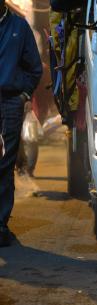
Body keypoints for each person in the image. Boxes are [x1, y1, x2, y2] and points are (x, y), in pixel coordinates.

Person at [0, 0, 43, 247]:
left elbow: (34, 68)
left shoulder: (19, 26)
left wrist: (24, 95)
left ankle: (1, 225)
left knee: (5, 164)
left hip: (9, 103)